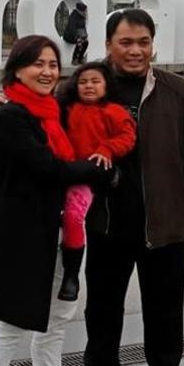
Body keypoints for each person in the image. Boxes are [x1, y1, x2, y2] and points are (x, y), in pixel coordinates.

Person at [70, 8, 184, 366]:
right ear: (108, 46)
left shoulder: (179, 93)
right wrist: (9, 102)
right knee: (102, 304)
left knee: (165, 306)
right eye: (126, 42)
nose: (136, 51)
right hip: (107, 221)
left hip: (164, 223)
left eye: (143, 42)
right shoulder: (91, 88)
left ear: (153, 44)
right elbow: (48, 116)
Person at [0, 35, 112, 366]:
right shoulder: (12, 115)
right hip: (23, 233)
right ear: (16, 69)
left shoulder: (52, 111)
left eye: (53, 64)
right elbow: (47, 168)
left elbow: (94, 91)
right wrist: (95, 171)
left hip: (59, 230)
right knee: (13, 318)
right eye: (38, 64)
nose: (47, 71)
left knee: (57, 318)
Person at [55, 61, 136, 302]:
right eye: (83, 82)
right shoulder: (68, 109)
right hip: (65, 172)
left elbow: (128, 136)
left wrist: (107, 148)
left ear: (107, 85)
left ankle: (71, 274)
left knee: (73, 216)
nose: (89, 86)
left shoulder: (114, 111)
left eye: (95, 81)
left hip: (89, 178)